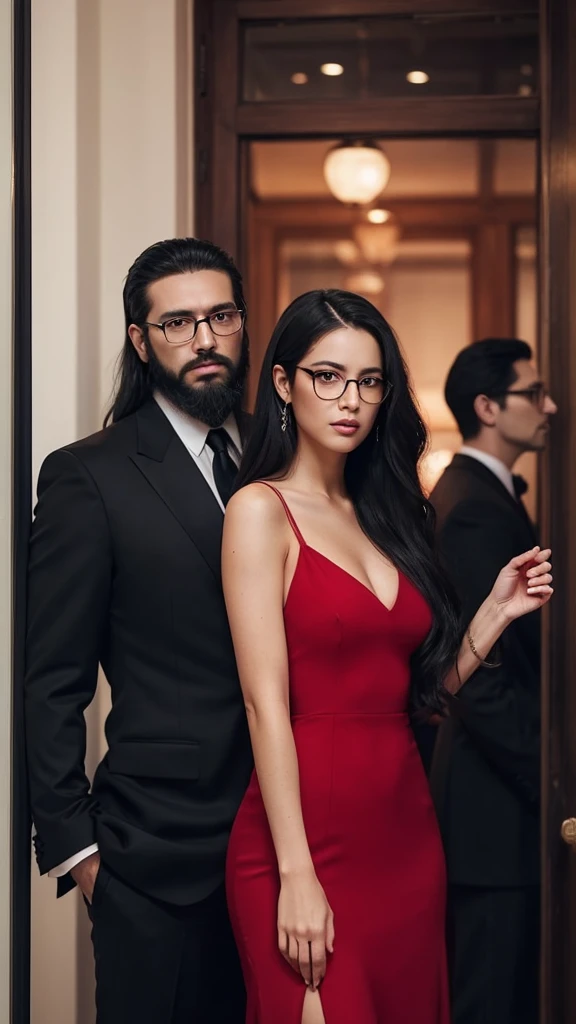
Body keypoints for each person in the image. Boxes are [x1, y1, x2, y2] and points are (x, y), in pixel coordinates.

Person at [221, 292, 553, 1024]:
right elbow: (263, 705)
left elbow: (415, 694)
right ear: (284, 383)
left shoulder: (391, 516)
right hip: (303, 839)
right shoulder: (258, 511)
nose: (352, 400)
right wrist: (296, 872)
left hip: (406, 835)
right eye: (328, 377)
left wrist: (491, 615)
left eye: (370, 382)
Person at [24, 237, 253, 1023]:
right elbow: (50, 678)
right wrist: (78, 849)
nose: (204, 340)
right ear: (140, 340)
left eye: (220, 316)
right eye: (178, 323)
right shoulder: (89, 475)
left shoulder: (280, 460)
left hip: (292, 842)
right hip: (156, 857)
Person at [428, 338, 557, 1024]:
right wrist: (551, 781)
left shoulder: (483, 495)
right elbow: (481, 678)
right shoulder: (472, 506)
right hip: (491, 808)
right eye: (533, 394)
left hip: (496, 804)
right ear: (486, 407)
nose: (550, 407)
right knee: (491, 999)